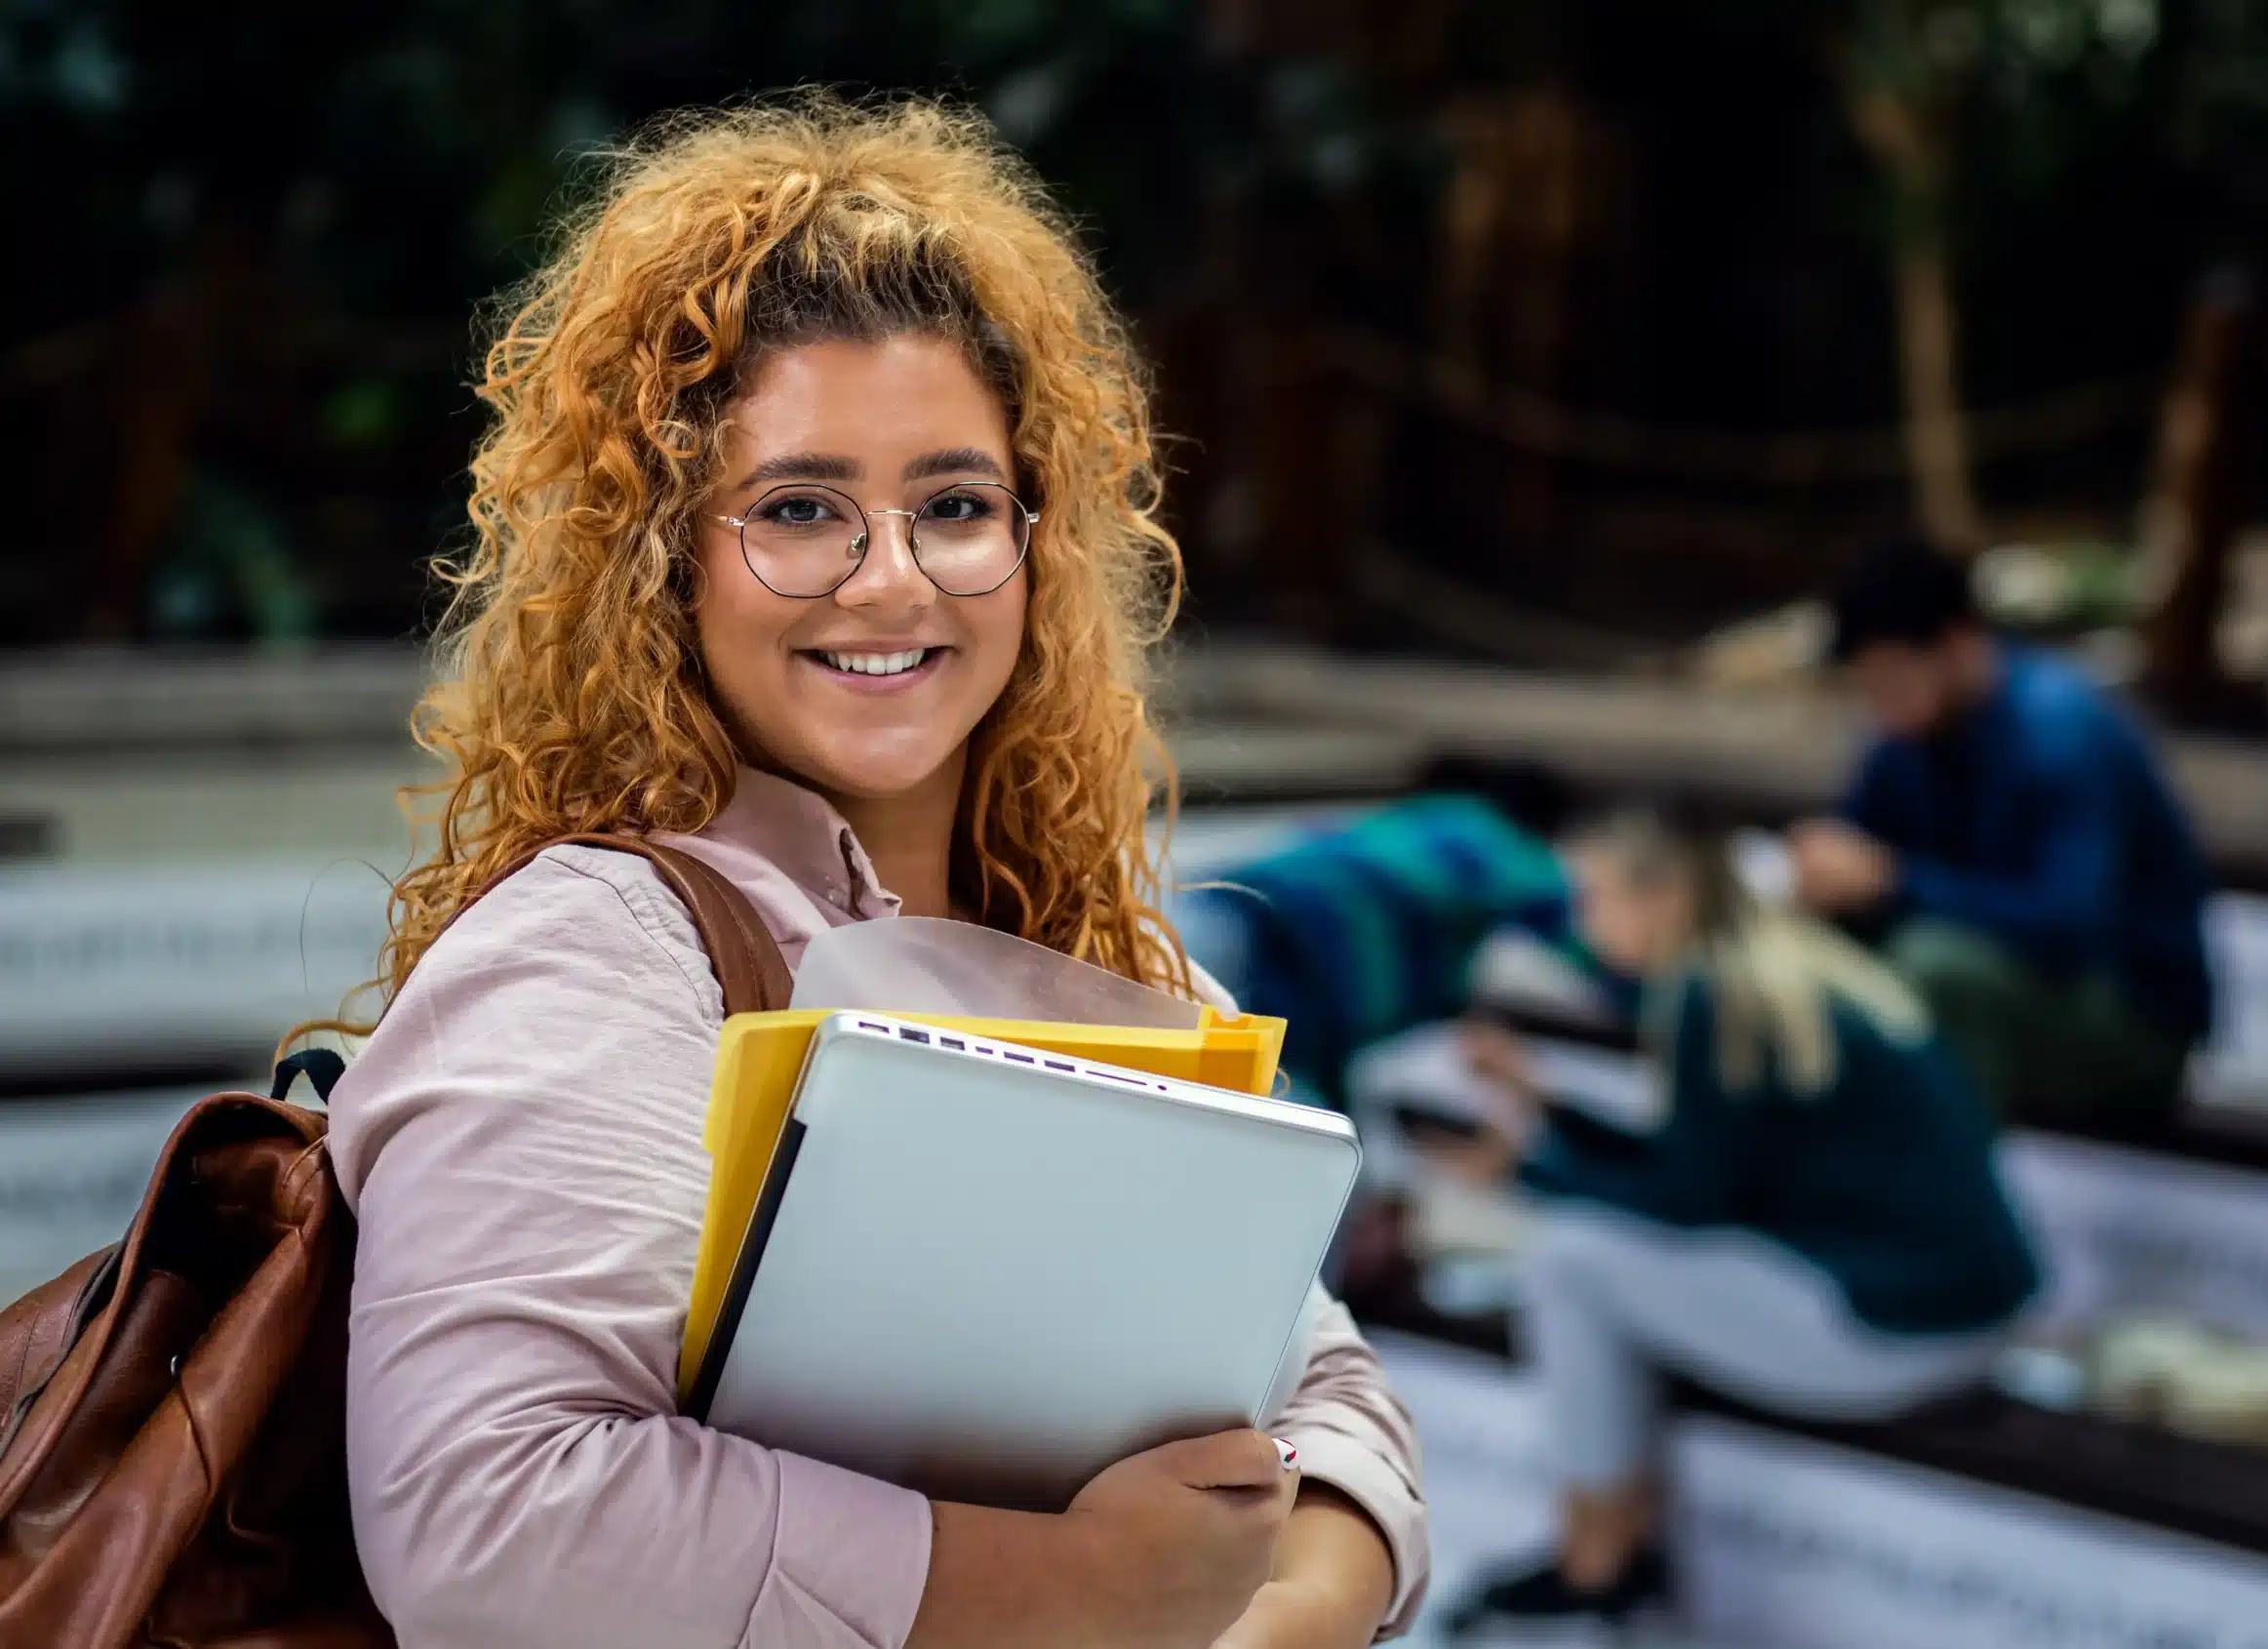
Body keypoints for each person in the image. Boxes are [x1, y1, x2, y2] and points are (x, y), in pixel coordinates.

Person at [322, 96, 1426, 1649]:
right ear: (662, 551)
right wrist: (1075, 1594)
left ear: (1037, 542)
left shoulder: (1129, 962)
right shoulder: (596, 952)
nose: (891, 575)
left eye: (957, 505)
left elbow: (1326, 1388)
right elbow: (485, 1514)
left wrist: (1279, 1617)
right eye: (799, 509)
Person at [1445, 808, 2040, 1633]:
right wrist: (1549, 1111)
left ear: (1666, 897)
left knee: (1567, 1261)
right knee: (1587, 1252)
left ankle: (1597, 1561)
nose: (1582, 923)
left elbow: (1689, 1202)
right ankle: (1613, 1547)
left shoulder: (1712, 994)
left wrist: (1526, 1170)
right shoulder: (1786, 963)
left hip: (1897, 1325)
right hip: (1958, 1306)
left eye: (1595, 897)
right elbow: (1715, 1171)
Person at [1787, 537, 2217, 1125]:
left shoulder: (2059, 732)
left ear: (1960, 643)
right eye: (1866, 686)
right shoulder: (1905, 734)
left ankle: (1941, 1203)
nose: (1879, 703)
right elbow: (1859, 848)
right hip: (2012, 988)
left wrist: (1895, 883)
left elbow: (2066, 927)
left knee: (1934, 970)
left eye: (1889, 679)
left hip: (2128, 1020)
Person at [1174, 754, 1596, 1113]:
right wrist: (1632, 975)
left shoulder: (1440, 962)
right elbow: (1557, 902)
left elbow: (1331, 1053)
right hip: (1250, 928)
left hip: (1266, 1000)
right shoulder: (1473, 828)